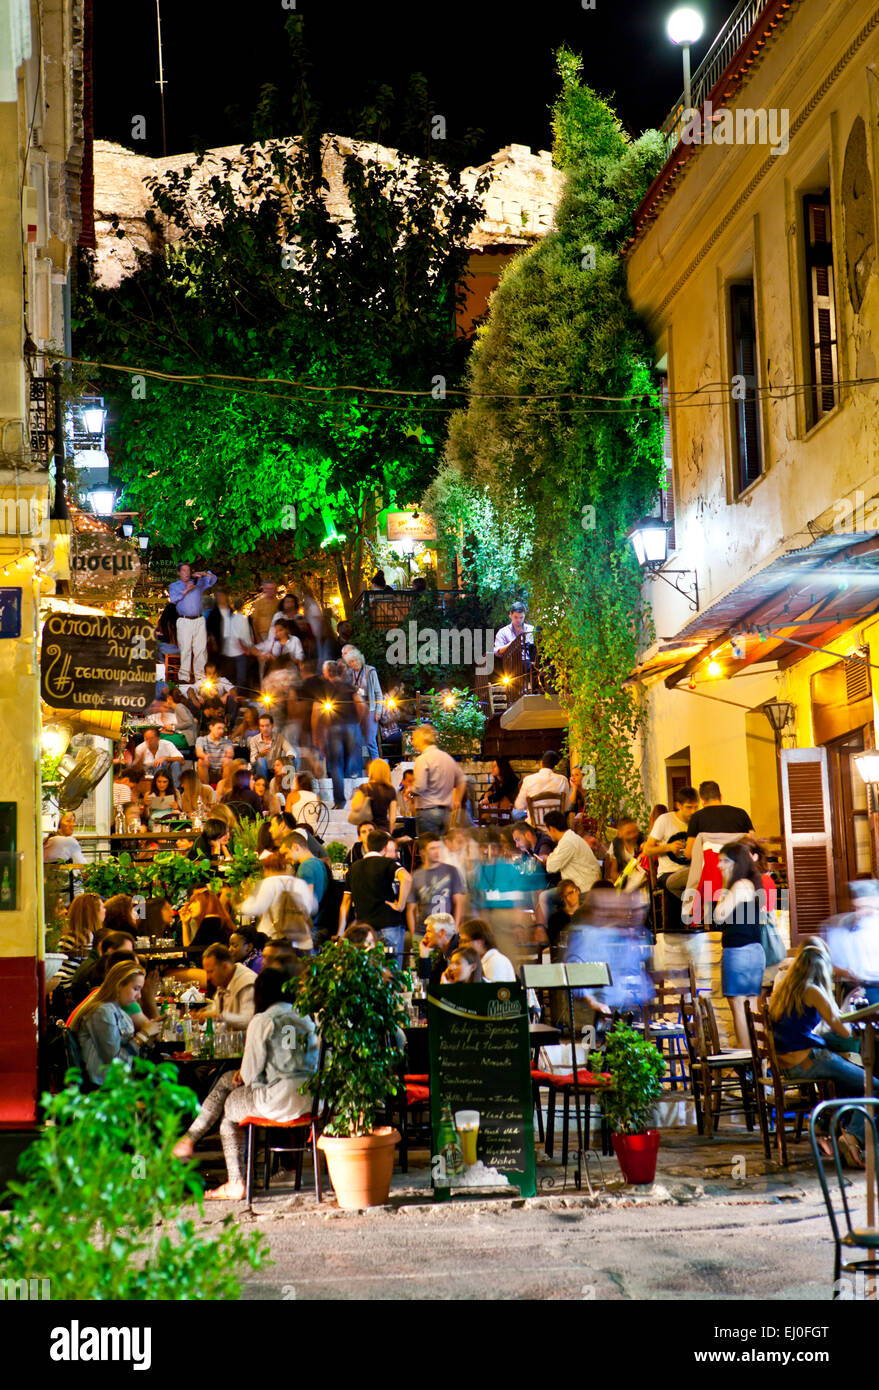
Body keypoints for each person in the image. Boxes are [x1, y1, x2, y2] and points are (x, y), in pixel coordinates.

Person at [172, 964, 319, 1199]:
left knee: (229, 1109)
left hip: (277, 1100)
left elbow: (250, 1076)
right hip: (311, 1099)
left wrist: (243, 1073)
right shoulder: (306, 1017)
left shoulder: (262, 1021)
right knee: (224, 1080)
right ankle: (189, 1140)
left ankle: (233, 1179)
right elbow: (293, 1056)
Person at [769, 941, 870, 1168]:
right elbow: (844, 1032)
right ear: (821, 969)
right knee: (873, 1086)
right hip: (809, 1060)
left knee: (849, 1084)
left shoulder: (785, 989)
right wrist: (850, 1007)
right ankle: (852, 1136)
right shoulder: (813, 991)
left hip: (787, 1064)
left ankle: (826, 1123)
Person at [714, 841, 766, 1049]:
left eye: (724, 861)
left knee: (738, 1007)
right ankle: (760, 1059)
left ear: (737, 862)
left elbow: (718, 916)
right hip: (754, 951)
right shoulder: (752, 883)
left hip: (738, 952)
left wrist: (725, 884)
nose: (720, 866)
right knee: (752, 1006)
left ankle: (748, 1061)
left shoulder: (738, 885)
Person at [339, 828, 411, 963]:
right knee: (392, 972)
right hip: (389, 924)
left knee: (370, 970)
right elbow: (407, 878)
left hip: (365, 931)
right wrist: (400, 904)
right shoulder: (389, 863)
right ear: (384, 847)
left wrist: (340, 932)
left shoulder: (353, 867)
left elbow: (345, 903)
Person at [70, 960, 146, 1087]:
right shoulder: (103, 1012)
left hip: (118, 1082)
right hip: (103, 1087)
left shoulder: (120, 1012)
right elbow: (114, 1061)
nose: (139, 995)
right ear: (118, 985)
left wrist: (147, 1039)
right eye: (135, 989)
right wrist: (143, 1035)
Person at [675, 781, 754, 901]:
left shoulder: (697, 818)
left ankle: (692, 912)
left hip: (709, 877)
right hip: (740, 874)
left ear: (702, 800)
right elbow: (753, 845)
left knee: (671, 882)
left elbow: (689, 853)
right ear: (721, 796)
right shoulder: (741, 814)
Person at [826, 880, 879, 1004]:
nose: (860, 911)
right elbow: (832, 963)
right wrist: (847, 972)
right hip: (858, 989)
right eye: (857, 907)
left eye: (866, 907)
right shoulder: (842, 927)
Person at [237, 853, 316, 935]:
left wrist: (244, 902)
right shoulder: (298, 883)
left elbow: (254, 909)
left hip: (272, 934)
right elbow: (312, 906)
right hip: (296, 934)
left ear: (268, 868)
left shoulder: (268, 883)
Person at [410, 724, 465, 836]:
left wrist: (410, 791)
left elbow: (420, 786)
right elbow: (462, 780)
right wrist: (457, 800)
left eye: (414, 738)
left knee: (428, 849)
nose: (412, 742)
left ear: (422, 739)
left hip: (427, 812)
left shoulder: (422, 759)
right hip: (446, 813)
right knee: (442, 849)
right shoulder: (447, 758)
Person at [406, 834, 466, 936]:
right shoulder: (416, 875)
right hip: (424, 932)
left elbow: (459, 903)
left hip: (446, 932)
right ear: (423, 852)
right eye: (432, 848)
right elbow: (410, 909)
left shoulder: (452, 871)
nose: (437, 851)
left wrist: (455, 929)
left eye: (439, 847)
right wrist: (413, 936)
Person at [168, 562, 217, 686]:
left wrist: (203, 573)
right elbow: (173, 600)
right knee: (185, 649)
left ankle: (200, 678)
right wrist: (186, 590)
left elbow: (213, 579)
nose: (186, 573)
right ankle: (184, 678)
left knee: (201, 649)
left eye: (188, 571)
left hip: (199, 619)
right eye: (183, 571)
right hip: (184, 620)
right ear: (179, 573)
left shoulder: (198, 583)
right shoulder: (174, 586)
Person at [53, 892, 105, 992]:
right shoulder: (86, 938)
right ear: (94, 913)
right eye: (103, 908)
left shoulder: (71, 937)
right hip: (74, 992)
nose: (105, 911)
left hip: (65, 992)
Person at [343, 647, 385, 766]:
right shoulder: (350, 673)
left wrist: (379, 710)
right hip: (356, 710)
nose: (354, 664)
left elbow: (378, 693)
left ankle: (377, 765)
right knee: (356, 739)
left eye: (355, 661)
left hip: (370, 707)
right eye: (351, 662)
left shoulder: (370, 671)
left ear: (360, 659)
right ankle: (358, 767)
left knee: (371, 740)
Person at [543, 811, 601, 894]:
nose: (547, 833)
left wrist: (547, 859)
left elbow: (551, 867)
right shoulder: (568, 838)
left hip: (584, 889)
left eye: (546, 830)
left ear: (552, 828)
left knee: (545, 897)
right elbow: (553, 857)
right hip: (579, 885)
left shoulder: (568, 842)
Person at [206, 589, 253, 690]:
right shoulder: (213, 613)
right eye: (217, 596)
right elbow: (209, 628)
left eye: (221, 596)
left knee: (239, 674)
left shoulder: (232, 612)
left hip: (235, 647)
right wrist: (213, 640)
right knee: (224, 673)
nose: (220, 598)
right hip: (221, 648)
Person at [513, 752, 570, 820]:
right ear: (555, 766)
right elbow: (566, 807)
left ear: (541, 763)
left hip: (535, 825)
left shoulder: (528, 780)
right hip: (555, 824)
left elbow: (519, 805)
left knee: (515, 812)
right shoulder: (563, 780)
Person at [179, 888, 235, 953]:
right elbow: (190, 951)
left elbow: (190, 954)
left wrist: (184, 925)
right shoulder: (218, 920)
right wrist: (185, 923)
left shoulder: (210, 921)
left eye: (194, 902)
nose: (189, 907)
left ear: (205, 902)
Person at [350, 757, 397, 833]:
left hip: (367, 830)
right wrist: (389, 832)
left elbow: (355, 806)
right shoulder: (391, 790)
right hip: (383, 829)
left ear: (372, 771)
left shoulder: (365, 788)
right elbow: (393, 818)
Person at [133, 726, 184, 792]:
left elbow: (182, 761)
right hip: (149, 773)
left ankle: (176, 791)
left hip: (167, 771)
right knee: (158, 765)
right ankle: (158, 792)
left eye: (151, 738)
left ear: (158, 738)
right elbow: (135, 769)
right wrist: (140, 760)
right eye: (146, 739)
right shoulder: (140, 748)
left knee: (176, 764)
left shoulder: (167, 744)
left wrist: (165, 758)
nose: (149, 741)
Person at [417, 912, 460, 990]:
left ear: (442, 933)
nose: (425, 936)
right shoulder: (444, 953)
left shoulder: (459, 952)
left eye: (429, 931)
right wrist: (424, 955)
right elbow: (430, 985)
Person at [250, 713, 295, 782]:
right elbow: (252, 761)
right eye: (262, 726)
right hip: (261, 770)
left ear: (272, 726)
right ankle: (263, 785)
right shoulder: (254, 740)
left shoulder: (279, 737)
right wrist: (260, 755)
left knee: (293, 759)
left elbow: (291, 750)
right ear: (259, 727)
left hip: (275, 769)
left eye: (267, 726)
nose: (265, 729)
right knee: (261, 760)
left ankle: (289, 785)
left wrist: (287, 759)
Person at [196, 718, 234, 786]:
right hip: (208, 768)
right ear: (211, 727)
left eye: (223, 729)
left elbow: (230, 753)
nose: (221, 731)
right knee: (201, 761)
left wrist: (229, 753)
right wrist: (205, 756)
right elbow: (199, 752)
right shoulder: (201, 739)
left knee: (229, 761)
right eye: (219, 728)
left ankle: (225, 787)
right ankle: (206, 789)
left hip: (222, 769)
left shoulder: (227, 742)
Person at [608, 817, 645, 883]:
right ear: (620, 834)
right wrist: (623, 879)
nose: (633, 835)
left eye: (635, 831)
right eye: (629, 833)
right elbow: (613, 872)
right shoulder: (616, 845)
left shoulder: (642, 843)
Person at [250, 579, 279, 648]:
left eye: (272, 589)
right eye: (268, 589)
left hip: (275, 634)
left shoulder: (278, 603)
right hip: (263, 635)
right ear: (264, 589)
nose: (270, 591)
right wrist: (258, 638)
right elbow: (254, 622)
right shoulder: (258, 603)